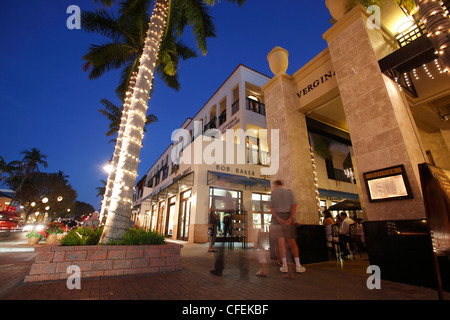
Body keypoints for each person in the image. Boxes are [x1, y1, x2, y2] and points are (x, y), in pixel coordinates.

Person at [270, 180, 306, 275]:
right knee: (292, 241)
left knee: (280, 241)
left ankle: (284, 266)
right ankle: (298, 266)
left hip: (276, 218)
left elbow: (271, 208)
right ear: (282, 184)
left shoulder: (273, 194)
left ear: (276, 185)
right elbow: (294, 206)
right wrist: (290, 218)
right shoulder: (289, 193)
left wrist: (277, 217)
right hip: (287, 215)